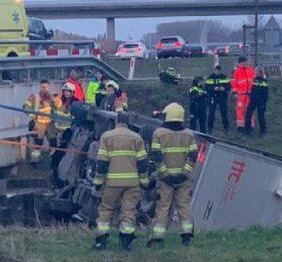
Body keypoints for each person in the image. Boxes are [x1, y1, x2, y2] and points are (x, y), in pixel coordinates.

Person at [93, 112, 150, 251]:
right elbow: (143, 163)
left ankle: (101, 241)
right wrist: (144, 181)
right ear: (128, 122)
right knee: (129, 211)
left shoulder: (106, 137)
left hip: (112, 182)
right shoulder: (137, 138)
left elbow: (102, 163)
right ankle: (126, 242)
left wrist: (98, 182)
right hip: (132, 183)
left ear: (116, 121)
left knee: (106, 209)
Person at [147, 103, 198, 247]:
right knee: (183, 206)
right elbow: (193, 156)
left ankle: (157, 237)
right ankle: (186, 235)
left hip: (165, 179)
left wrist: (164, 174)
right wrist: (184, 173)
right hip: (183, 179)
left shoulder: (158, 134)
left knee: (163, 206)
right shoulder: (189, 135)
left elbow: (157, 156)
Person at [24, 80, 59, 163]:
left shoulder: (52, 97)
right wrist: (32, 116)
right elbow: (26, 106)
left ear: (48, 87)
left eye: (46, 87)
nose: (44, 89)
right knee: (37, 144)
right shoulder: (35, 97)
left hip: (50, 124)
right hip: (39, 123)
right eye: (42, 87)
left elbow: (58, 108)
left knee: (53, 142)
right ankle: (34, 162)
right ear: (40, 87)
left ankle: (54, 161)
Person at [231, 56, 256, 134]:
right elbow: (233, 83)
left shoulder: (251, 70)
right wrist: (235, 92)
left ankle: (250, 125)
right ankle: (240, 126)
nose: (245, 63)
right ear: (240, 63)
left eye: (245, 62)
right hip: (240, 94)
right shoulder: (237, 72)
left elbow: (254, 81)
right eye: (244, 62)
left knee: (250, 110)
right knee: (240, 110)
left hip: (249, 94)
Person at [204, 65, 231, 133]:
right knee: (211, 113)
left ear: (220, 71)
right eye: (216, 70)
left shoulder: (224, 77)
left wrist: (224, 88)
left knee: (224, 112)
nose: (217, 72)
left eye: (218, 71)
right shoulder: (210, 78)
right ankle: (210, 128)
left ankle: (226, 128)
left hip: (222, 97)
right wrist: (214, 88)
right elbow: (207, 87)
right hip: (213, 96)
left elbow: (229, 86)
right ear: (214, 70)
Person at [244, 71, 269, 136]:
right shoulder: (254, 80)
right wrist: (251, 96)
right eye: (258, 73)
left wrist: (264, 102)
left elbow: (265, 93)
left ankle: (262, 131)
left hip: (261, 101)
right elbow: (252, 88)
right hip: (253, 100)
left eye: (260, 73)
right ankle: (247, 131)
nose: (258, 74)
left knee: (261, 117)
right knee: (248, 115)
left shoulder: (264, 81)